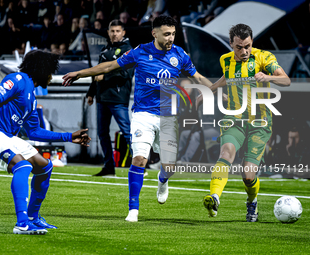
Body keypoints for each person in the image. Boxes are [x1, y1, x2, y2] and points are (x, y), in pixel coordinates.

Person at [63, 15, 213, 222]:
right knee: (139, 159)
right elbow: (109, 66)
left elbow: (197, 77)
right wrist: (81, 73)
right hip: (143, 115)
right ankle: (133, 208)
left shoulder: (180, 55)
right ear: (155, 33)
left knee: (169, 167)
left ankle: (162, 180)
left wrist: (213, 91)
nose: (171, 38)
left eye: (173, 34)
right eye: (167, 34)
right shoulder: (140, 52)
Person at [0, 50, 91, 235]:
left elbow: (35, 132)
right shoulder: (18, 80)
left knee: (45, 166)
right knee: (23, 166)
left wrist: (69, 137)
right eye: (50, 71)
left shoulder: (32, 99)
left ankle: (33, 218)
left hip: (7, 137)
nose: (51, 76)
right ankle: (21, 223)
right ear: (42, 70)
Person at [202, 24, 291, 222]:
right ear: (231, 44)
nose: (244, 51)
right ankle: (214, 196)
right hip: (234, 118)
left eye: (247, 46)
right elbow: (229, 75)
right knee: (226, 153)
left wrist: (267, 76)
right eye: (239, 47)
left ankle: (252, 202)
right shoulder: (225, 59)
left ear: (252, 42)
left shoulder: (264, 57)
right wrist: (213, 88)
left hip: (260, 122)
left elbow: (286, 80)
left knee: (248, 175)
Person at [86, 20, 133, 176]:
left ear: (123, 32)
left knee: (127, 132)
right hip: (102, 98)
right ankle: (109, 167)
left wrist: (104, 76)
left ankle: (140, 165)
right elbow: (96, 72)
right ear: (108, 32)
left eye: (117, 31)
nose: (114, 34)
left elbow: (126, 73)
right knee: (102, 133)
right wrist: (91, 93)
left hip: (118, 98)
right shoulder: (105, 50)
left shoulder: (129, 50)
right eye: (112, 31)